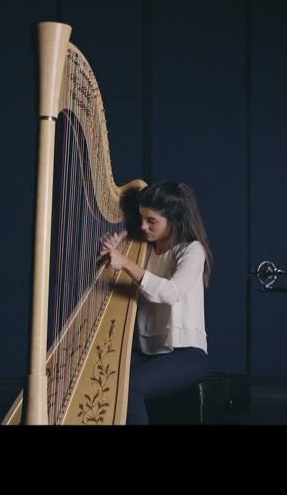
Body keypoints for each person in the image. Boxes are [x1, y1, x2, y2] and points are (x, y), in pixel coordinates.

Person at [97, 179, 214, 425]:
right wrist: (110, 258)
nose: (143, 226)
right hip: (149, 353)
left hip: (185, 355)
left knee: (129, 388)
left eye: (152, 221)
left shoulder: (192, 251)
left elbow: (170, 292)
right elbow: (121, 291)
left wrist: (127, 264)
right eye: (141, 219)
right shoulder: (143, 250)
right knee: (101, 376)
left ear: (174, 220)